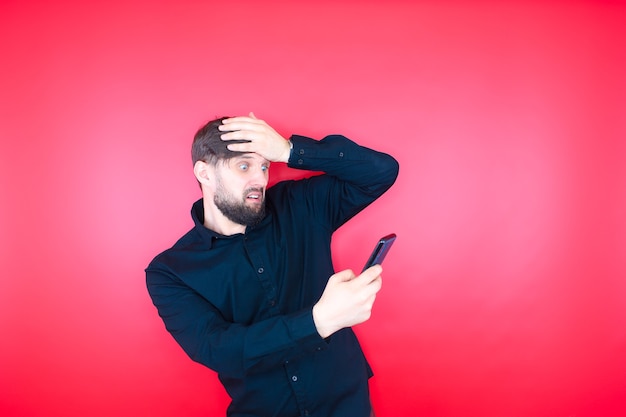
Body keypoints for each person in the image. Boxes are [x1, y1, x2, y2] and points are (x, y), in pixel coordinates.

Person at [146, 113, 399, 417]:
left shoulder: (301, 205)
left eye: (264, 165)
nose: (260, 179)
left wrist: (288, 150)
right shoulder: (171, 272)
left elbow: (382, 171)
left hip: (348, 403)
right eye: (244, 166)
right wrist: (320, 321)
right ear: (205, 173)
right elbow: (220, 350)